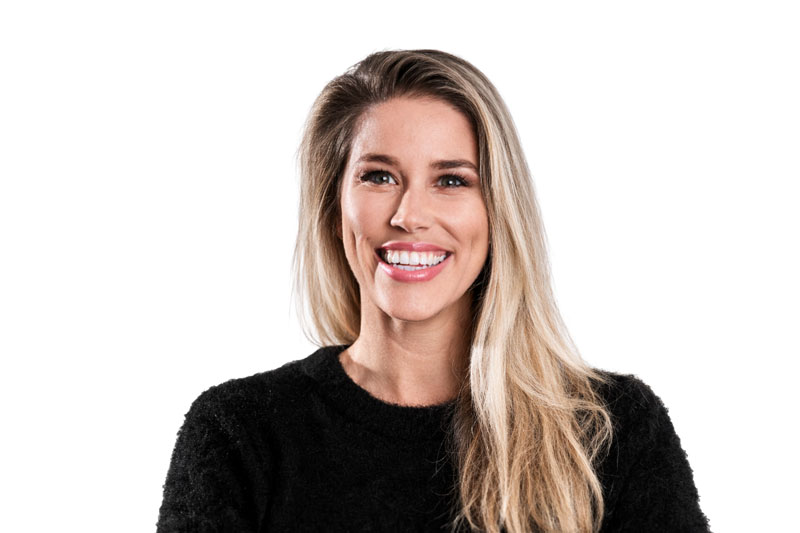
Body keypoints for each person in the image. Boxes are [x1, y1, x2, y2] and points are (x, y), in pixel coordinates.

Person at [156, 49, 710, 533]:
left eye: (451, 180)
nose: (409, 215)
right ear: (334, 206)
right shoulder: (240, 433)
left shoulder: (609, 431)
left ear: (498, 212)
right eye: (379, 176)